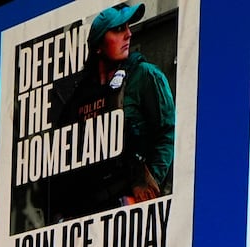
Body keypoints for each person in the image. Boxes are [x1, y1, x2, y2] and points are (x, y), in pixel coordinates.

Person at [44, 2, 175, 220]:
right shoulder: (80, 95)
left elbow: (167, 133)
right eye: (118, 29)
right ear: (98, 46)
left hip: (128, 206)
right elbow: (62, 157)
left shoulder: (145, 75)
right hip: (86, 212)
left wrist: (148, 188)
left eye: (128, 27)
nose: (129, 34)